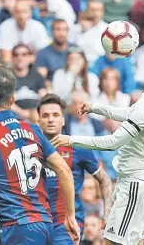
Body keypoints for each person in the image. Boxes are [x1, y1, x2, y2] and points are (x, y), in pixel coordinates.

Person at [50, 43, 144, 245]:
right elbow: (130, 114)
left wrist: (71, 140)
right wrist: (96, 108)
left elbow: (112, 142)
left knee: (110, 242)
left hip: (135, 184)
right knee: (141, 242)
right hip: (141, 179)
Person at [0, 66, 80, 245]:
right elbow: (64, 170)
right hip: (46, 224)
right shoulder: (32, 129)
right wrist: (70, 216)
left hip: (16, 227)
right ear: (12, 99)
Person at [37, 93, 112, 245]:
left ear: (63, 120)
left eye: (55, 115)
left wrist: (107, 213)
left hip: (67, 224)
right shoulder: (29, 149)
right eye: (45, 115)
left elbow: (104, 179)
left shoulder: (77, 148)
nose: (51, 119)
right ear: (38, 120)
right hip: (36, 223)